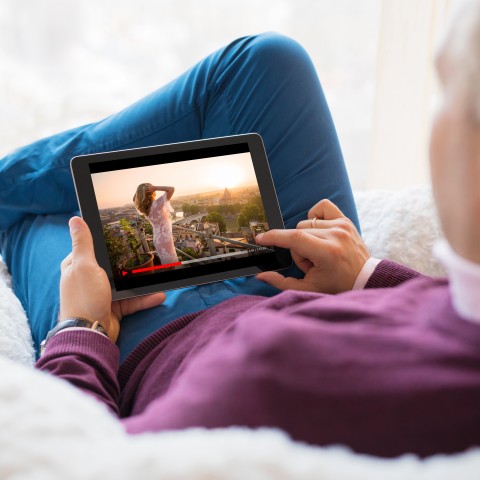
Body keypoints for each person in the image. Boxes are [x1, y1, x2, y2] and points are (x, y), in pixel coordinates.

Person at [1, 1, 480, 459]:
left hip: (150, 345)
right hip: (314, 290)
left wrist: (83, 328)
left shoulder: (256, 382)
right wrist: (369, 276)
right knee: (266, 61)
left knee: (33, 221)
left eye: (446, 91)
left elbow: (70, 460)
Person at [133, 183, 179, 265]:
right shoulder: (158, 204)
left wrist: (140, 192)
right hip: (165, 239)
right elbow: (171, 189)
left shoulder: (143, 209)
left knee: (167, 264)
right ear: (150, 192)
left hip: (157, 239)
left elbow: (134, 199)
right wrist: (155, 188)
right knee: (172, 264)